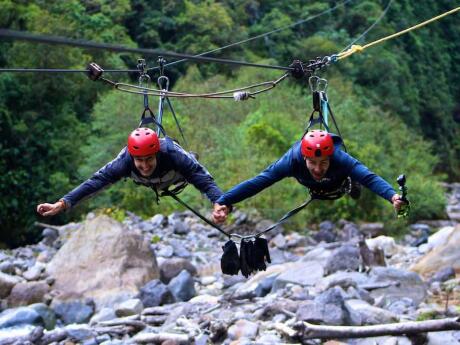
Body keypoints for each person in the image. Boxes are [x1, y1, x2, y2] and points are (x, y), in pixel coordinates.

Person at [212, 130, 406, 223]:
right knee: (318, 179)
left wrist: (393, 196)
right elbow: (258, 182)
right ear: (304, 157)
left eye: (323, 163)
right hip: (314, 187)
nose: (317, 168)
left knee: (355, 176)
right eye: (312, 162)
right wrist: (224, 201)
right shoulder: (290, 162)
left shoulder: (340, 158)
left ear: (331, 157)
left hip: (338, 181)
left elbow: (369, 177)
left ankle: (350, 182)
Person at [37, 127, 223, 216]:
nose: (145, 165)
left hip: (176, 176)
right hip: (148, 181)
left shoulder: (172, 154)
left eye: (149, 158)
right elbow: (94, 183)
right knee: (120, 174)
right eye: (139, 160)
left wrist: (220, 203)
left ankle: (191, 157)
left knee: (191, 164)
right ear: (132, 157)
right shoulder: (124, 163)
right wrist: (62, 204)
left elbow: (204, 180)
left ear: (156, 153)